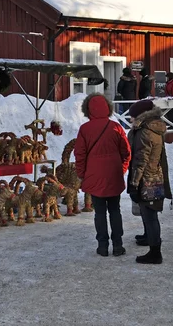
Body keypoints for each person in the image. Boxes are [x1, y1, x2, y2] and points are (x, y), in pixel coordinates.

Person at [74, 93, 131, 257]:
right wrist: (121, 170)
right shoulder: (116, 127)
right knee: (115, 210)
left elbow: (80, 155)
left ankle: (103, 246)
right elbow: (126, 152)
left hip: (94, 176)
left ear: (88, 110)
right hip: (113, 175)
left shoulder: (85, 129)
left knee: (99, 212)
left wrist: (82, 174)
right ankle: (118, 245)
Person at [126, 99, 173, 264]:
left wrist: (134, 183)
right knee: (149, 213)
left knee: (150, 215)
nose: (131, 119)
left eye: (132, 116)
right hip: (154, 176)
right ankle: (149, 239)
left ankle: (155, 252)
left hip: (146, 178)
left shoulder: (145, 132)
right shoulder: (153, 128)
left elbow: (141, 160)